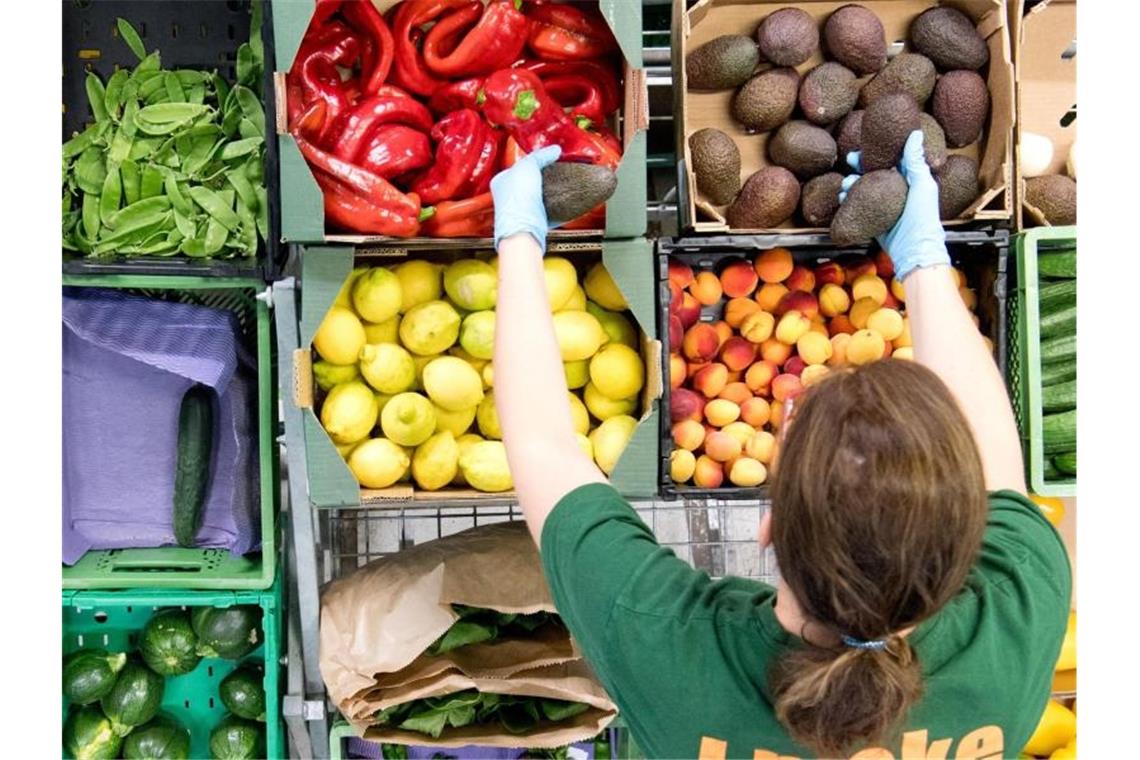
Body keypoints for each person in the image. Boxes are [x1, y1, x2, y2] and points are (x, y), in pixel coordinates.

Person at [489, 132, 1071, 759]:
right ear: (966, 536)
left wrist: (519, 237)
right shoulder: (1017, 613)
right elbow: (999, 466)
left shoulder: (666, 643)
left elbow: (543, 442)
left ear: (767, 528)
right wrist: (924, 260)